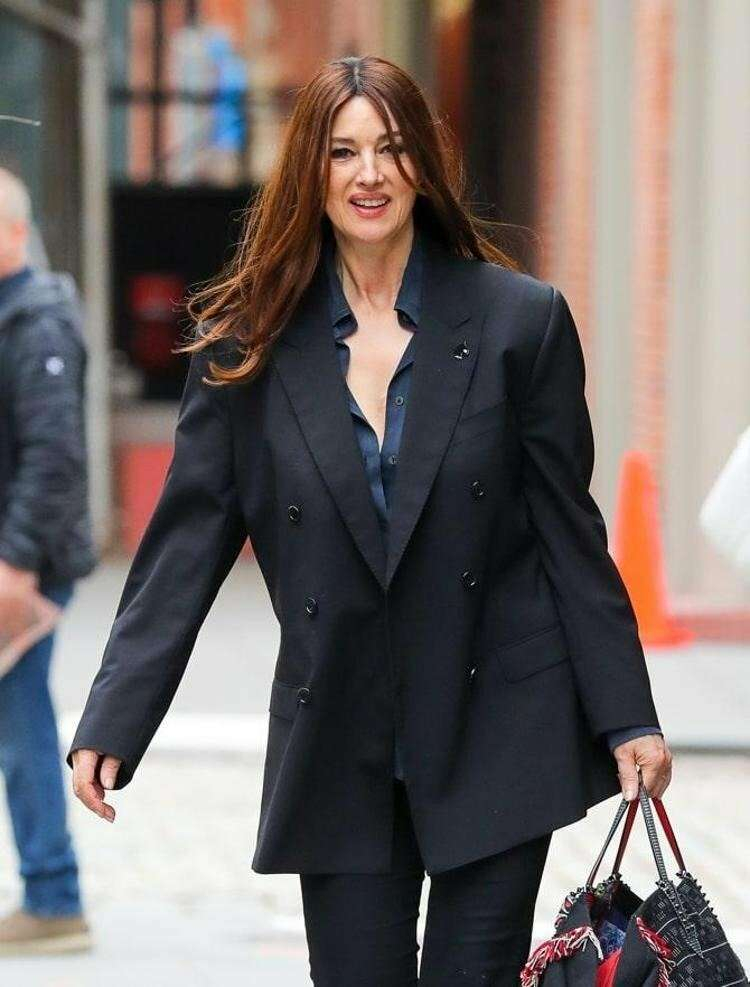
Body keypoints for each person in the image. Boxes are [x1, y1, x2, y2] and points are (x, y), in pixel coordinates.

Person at [67, 56, 671, 984]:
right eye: (343, 152)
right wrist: (116, 713)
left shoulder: (520, 323)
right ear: (310, 171)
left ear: (423, 162)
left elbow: (569, 534)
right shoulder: (247, 342)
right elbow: (186, 542)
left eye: (390, 148)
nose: (369, 174)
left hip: (494, 720)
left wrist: (627, 714)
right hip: (339, 730)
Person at [0, 167, 97, 954]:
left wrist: (16, 561)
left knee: (20, 719)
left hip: (19, 566)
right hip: (14, 557)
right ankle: (50, 890)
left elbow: (54, 456)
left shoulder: (36, 324)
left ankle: (54, 894)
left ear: (14, 232)